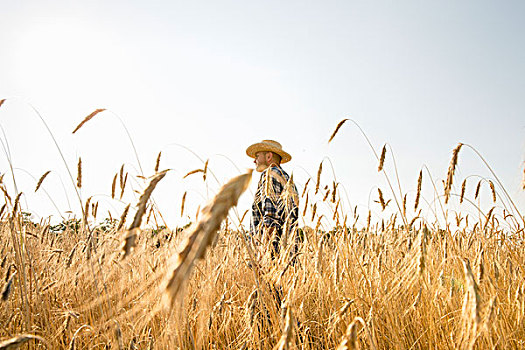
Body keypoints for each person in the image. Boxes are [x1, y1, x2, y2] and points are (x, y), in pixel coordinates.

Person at [246, 140, 299, 257]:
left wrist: (263, 250)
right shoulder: (286, 178)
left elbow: (270, 216)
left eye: (257, 156)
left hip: (271, 253)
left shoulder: (270, 175)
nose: (254, 160)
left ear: (269, 156)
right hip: (286, 252)